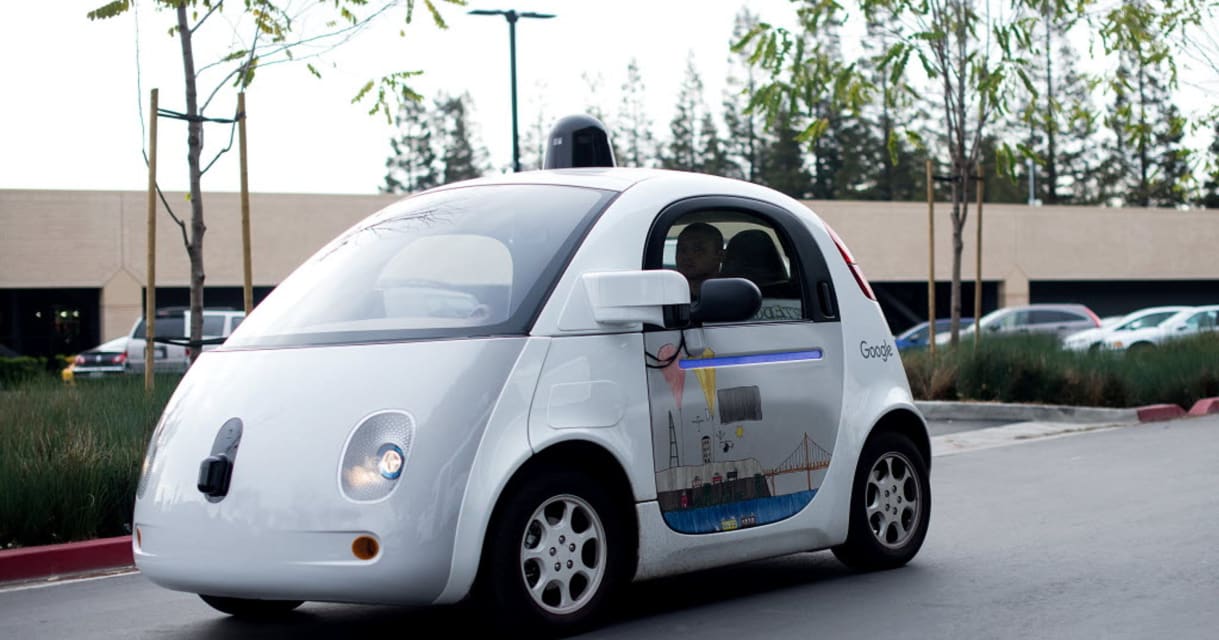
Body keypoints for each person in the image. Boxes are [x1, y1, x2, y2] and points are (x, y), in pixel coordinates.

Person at [675, 222, 724, 299]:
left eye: (698, 250)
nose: (687, 256)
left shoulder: (729, 295)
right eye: (682, 249)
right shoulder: (666, 293)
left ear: (720, 256)